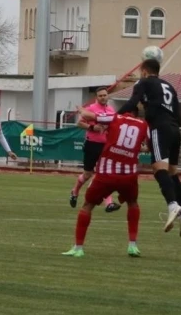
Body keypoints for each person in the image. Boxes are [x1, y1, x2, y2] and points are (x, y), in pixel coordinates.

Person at [63, 108, 148, 258]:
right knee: (133, 203)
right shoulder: (143, 124)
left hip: (106, 173)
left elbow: (87, 116)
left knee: (87, 206)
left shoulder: (115, 118)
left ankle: (78, 248)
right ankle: (133, 245)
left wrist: (81, 109)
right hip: (128, 175)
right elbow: (150, 147)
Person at [117, 58, 181, 236]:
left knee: (158, 169)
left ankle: (173, 206)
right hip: (175, 130)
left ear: (144, 71)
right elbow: (179, 113)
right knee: (172, 173)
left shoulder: (143, 82)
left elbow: (133, 102)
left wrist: (115, 117)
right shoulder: (169, 86)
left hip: (160, 128)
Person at [70, 87, 120, 212]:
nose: (103, 97)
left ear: (108, 96)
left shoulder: (110, 110)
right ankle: (75, 191)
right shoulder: (91, 109)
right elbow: (79, 124)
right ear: (97, 97)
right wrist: (93, 128)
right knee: (87, 174)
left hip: (105, 146)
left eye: (105, 95)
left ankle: (109, 203)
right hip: (92, 144)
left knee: (103, 175)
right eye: (100, 96)